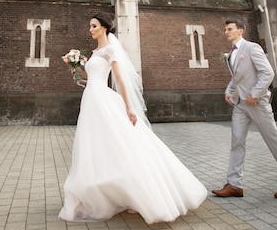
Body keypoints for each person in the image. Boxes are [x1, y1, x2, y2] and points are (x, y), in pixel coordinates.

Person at [59, 12, 208, 224]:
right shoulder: (94, 52)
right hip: (91, 100)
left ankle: (141, 193)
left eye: (93, 26)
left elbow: (119, 79)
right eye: (90, 26)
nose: (90, 29)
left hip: (103, 100)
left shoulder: (110, 50)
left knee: (122, 144)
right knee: (98, 145)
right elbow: (90, 77)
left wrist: (129, 107)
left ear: (103, 27)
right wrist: (74, 67)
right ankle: (107, 191)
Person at [212, 19, 277, 199]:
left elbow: (268, 73)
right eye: (225, 29)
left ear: (241, 31)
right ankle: (234, 184)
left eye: (230, 29)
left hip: (257, 103)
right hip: (240, 105)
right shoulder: (232, 53)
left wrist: (255, 93)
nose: (226, 32)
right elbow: (237, 77)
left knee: (273, 141)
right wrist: (229, 91)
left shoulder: (252, 48)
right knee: (237, 141)